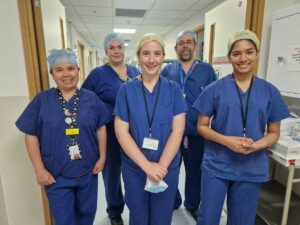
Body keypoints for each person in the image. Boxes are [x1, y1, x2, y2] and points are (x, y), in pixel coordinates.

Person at [193, 30, 290, 225]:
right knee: (208, 218)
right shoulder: (215, 89)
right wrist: (226, 141)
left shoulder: (269, 91)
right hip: (217, 165)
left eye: (249, 52)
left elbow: (274, 132)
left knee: (242, 220)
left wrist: (257, 145)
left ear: (257, 54)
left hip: (251, 167)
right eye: (236, 53)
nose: (243, 58)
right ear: (230, 57)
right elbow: (202, 126)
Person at [15, 48, 111, 225]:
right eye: (59, 70)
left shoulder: (92, 99)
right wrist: (39, 169)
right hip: (55, 175)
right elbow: (30, 135)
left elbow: (101, 128)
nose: (66, 74)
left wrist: (103, 157)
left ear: (79, 70)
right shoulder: (41, 101)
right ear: (52, 74)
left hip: (88, 172)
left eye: (71, 68)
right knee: (64, 220)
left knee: (87, 215)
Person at [113, 33, 187, 225]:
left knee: (162, 217)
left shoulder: (174, 90)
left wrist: (160, 167)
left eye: (157, 54)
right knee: (138, 216)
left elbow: (177, 131)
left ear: (163, 56)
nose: (151, 60)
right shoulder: (126, 91)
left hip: (167, 167)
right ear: (138, 56)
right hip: (135, 168)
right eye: (146, 54)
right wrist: (147, 167)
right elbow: (121, 133)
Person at [82, 33, 140, 225]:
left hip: (134, 132)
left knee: (134, 170)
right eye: (112, 48)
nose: (116, 51)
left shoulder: (134, 71)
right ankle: (115, 211)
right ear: (106, 51)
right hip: (109, 133)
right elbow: (84, 100)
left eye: (119, 47)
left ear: (125, 50)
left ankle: (137, 207)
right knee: (112, 174)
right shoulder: (98, 74)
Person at [161, 30, 216, 221]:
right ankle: (172, 200)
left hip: (196, 131)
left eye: (189, 42)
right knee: (169, 169)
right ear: (176, 48)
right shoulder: (168, 70)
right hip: (171, 132)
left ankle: (192, 204)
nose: (185, 46)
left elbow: (214, 99)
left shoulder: (206, 70)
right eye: (181, 43)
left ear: (195, 46)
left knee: (194, 171)